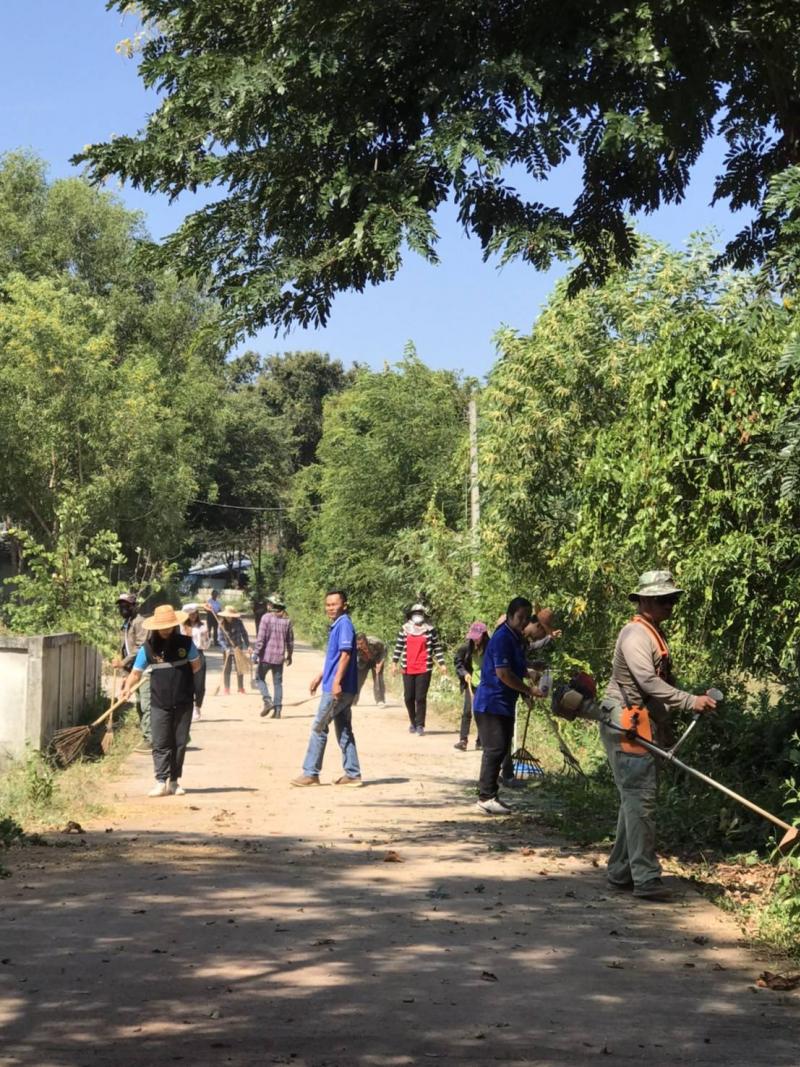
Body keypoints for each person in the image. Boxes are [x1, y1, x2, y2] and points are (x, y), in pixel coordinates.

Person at [600, 570, 717, 901]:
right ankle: (646, 877)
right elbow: (648, 683)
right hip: (625, 721)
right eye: (664, 600)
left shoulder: (653, 633)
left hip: (639, 720)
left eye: (672, 599)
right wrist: (690, 701)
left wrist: (664, 725)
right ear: (645, 601)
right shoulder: (635, 635)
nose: (670, 605)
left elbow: (656, 689)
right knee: (640, 797)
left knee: (633, 797)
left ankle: (621, 870)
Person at [120, 604, 202, 797]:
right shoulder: (148, 648)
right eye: (162, 627)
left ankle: (174, 782)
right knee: (160, 742)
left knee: (179, 743)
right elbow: (136, 673)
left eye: (168, 626)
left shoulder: (186, 644)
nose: (165, 630)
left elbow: (196, 667)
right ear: (156, 627)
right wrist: (127, 688)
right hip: (159, 702)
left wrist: (189, 687)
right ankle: (160, 781)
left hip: (183, 701)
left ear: (174, 625)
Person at [473, 597, 540, 815]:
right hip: (491, 702)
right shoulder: (503, 638)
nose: (523, 622)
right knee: (494, 750)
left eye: (526, 618)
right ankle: (486, 797)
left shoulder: (515, 638)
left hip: (504, 703)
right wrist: (528, 690)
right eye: (520, 617)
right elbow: (503, 674)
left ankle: (491, 794)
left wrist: (529, 675)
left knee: (501, 747)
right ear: (510, 616)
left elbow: (516, 668)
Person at [292, 588, 362, 787]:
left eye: (334, 604)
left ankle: (310, 773)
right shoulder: (338, 624)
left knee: (319, 727)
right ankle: (353, 774)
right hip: (341, 686)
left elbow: (346, 655)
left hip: (338, 689)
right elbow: (335, 658)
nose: (330, 608)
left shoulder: (344, 624)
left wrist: (336, 682)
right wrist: (320, 676)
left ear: (344, 605)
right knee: (344, 729)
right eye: (328, 605)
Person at [391, 602, 447, 735]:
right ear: (411, 615)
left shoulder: (430, 630)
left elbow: (437, 647)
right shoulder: (405, 629)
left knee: (420, 697)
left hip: (424, 667)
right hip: (407, 667)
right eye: (415, 613)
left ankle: (420, 725)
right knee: (408, 697)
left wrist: (442, 664)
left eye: (420, 613)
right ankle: (413, 721)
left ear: (424, 615)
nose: (418, 616)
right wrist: (394, 663)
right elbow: (399, 647)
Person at [111, 592, 152, 753]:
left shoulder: (140, 622)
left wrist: (123, 662)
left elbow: (141, 647)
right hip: (133, 672)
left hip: (145, 670)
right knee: (140, 704)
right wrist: (124, 674)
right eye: (121, 606)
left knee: (146, 704)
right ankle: (146, 735)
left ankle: (150, 739)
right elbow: (124, 649)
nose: (123, 609)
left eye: (126, 606)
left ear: (134, 606)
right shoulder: (127, 623)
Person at [253, 594, 294, 718]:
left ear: (272, 605)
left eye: (269, 603)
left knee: (259, 678)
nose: (267, 605)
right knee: (278, 683)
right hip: (279, 658)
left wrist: (255, 654)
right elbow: (290, 641)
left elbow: (261, 639)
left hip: (266, 657)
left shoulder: (266, 618)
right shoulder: (287, 621)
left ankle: (267, 701)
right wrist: (289, 655)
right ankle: (277, 711)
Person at [453, 621, 489, 751]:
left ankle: (480, 741)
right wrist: (464, 673)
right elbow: (458, 663)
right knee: (467, 711)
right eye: (473, 637)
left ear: (484, 635)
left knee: (482, 712)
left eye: (477, 637)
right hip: (471, 683)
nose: (475, 640)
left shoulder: (490, 648)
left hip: (486, 684)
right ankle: (463, 740)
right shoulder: (466, 648)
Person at [182, 603, 209, 721]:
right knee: (186, 683)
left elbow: (206, 644)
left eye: (194, 613)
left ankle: (197, 706)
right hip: (185, 656)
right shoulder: (182, 627)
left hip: (198, 653)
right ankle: (188, 708)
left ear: (197, 614)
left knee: (199, 684)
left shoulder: (203, 626)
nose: (192, 616)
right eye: (190, 614)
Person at [218, 606, 250, 694]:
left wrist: (248, 645)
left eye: (230, 615)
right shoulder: (221, 623)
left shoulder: (239, 622)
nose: (228, 617)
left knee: (239, 668)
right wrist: (226, 648)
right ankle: (227, 688)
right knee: (227, 668)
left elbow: (244, 634)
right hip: (227, 649)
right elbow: (220, 639)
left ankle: (240, 688)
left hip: (238, 647)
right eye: (227, 615)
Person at [355, 633, 387, 706]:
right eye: (358, 644)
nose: (360, 646)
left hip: (377, 660)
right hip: (363, 661)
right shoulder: (355, 647)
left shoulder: (375, 643)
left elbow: (384, 651)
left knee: (378, 678)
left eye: (361, 643)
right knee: (358, 680)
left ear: (366, 641)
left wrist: (380, 663)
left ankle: (380, 700)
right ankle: (354, 700)